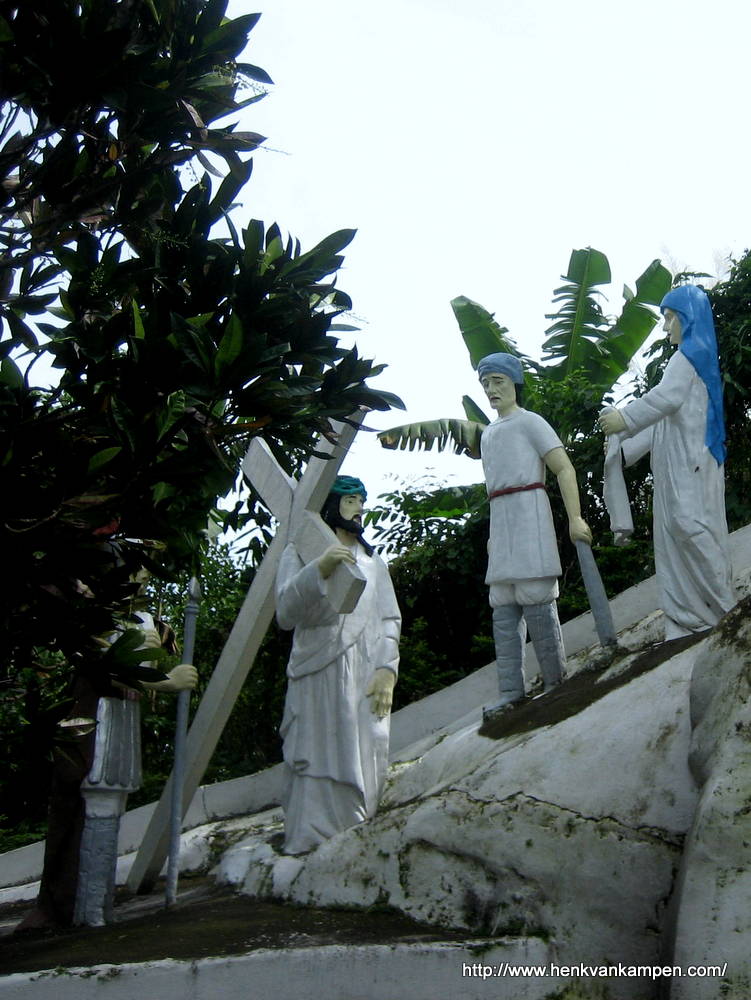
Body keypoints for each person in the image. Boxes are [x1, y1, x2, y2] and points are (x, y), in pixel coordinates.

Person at [598, 284, 735, 638]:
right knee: (674, 535)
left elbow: (665, 399)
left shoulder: (689, 357)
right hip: (677, 468)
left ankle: (724, 608)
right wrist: (625, 448)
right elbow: (663, 420)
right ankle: (685, 616)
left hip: (692, 464)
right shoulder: (687, 359)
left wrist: (623, 420)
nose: (665, 327)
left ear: (687, 319)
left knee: (690, 527)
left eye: (670, 318)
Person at [275, 476, 400, 855]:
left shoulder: (373, 562)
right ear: (331, 506)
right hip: (318, 671)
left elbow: (389, 619)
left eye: (361, 500)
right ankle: (311, 836)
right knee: (319, 748)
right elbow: (285, 612)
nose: (359, 508)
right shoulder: (301, 551)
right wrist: (319, 570)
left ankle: (356, 828)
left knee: (365, 742)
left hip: (364, 670)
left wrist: (387, 670)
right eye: (350, 501)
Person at [477, 353, 592, 722]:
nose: (492, 390)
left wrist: (575, 517)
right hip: (502, 521)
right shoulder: (489, 434)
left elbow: (563, 467)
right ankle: (511, 690)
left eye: (498, 381)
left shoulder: (531, 423)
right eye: (486, 384)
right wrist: (494, 537)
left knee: (536, 595)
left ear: (513, 383)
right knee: (504, 601)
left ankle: (555, 681)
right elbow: (491, 489)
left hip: (530, 512)